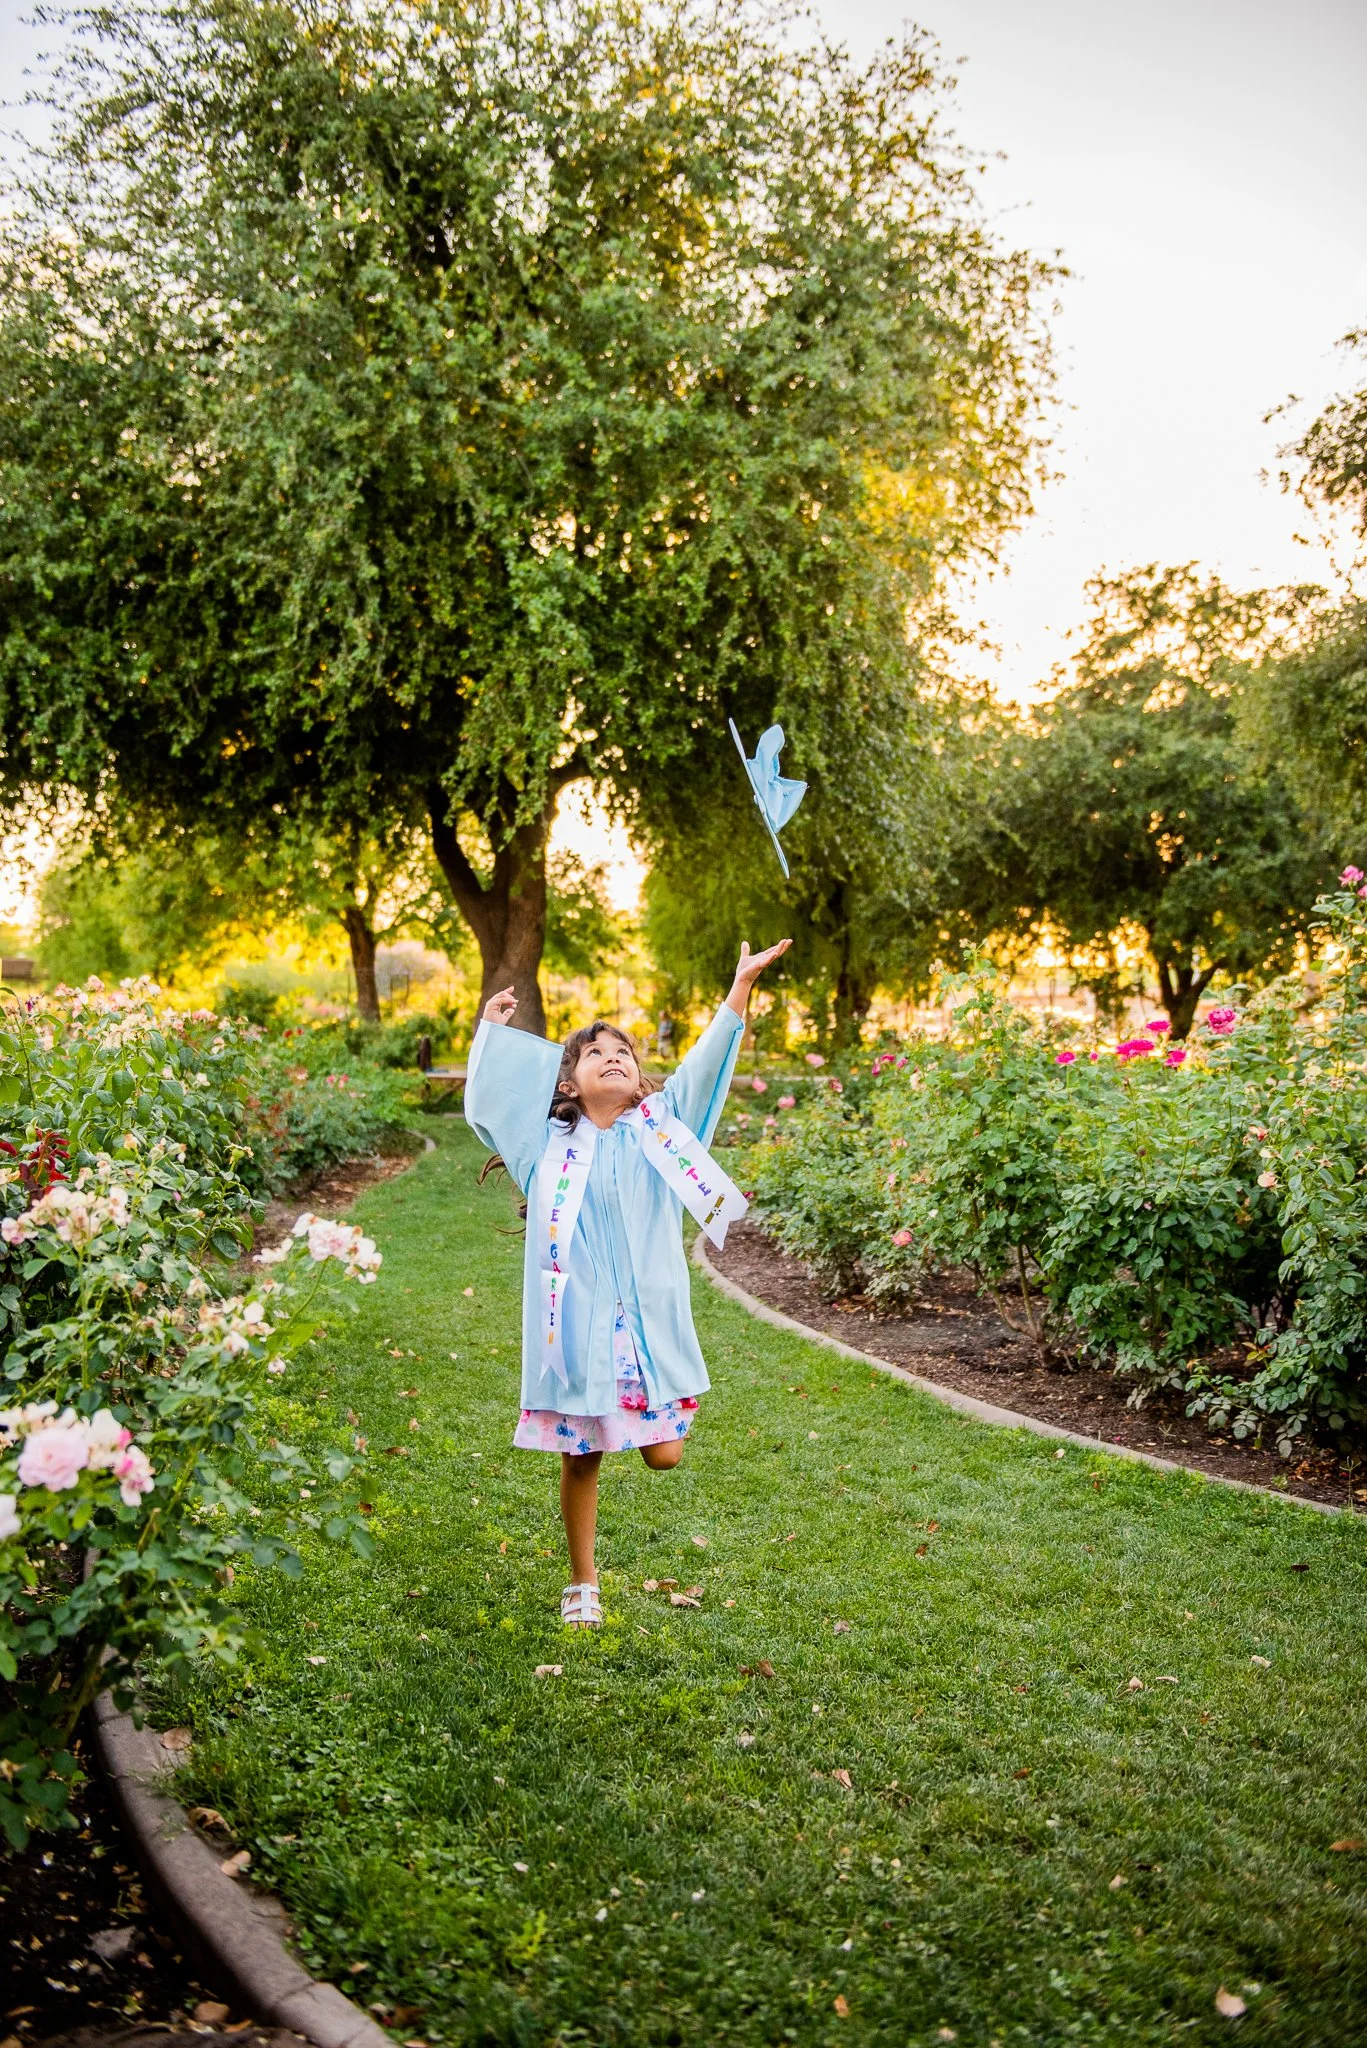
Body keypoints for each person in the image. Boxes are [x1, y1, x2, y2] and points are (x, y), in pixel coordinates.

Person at [465, 939, 790, 1628]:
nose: (613, 1057)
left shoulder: (663, 1135)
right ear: (569, 1084)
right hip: (578, 1327)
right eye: (594, 1053)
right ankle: (582, 1581)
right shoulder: (542, 1150)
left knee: (664, 1456)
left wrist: (738, 988)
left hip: (645, 1323)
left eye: (624, 1052)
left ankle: (632, 1422)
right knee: (582, 1456)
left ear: (638, 1076)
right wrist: (490, 1033)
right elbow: (495, 1102)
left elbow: (704, 1071)